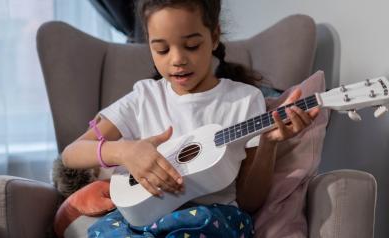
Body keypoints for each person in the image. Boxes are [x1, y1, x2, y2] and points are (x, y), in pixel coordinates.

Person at [61, 0, 319, 237]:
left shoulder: (245, 100)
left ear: (214, 36)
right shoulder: (144, 97)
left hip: (210, 220)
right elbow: (71, 154)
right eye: (161, 49)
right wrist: (125, 152)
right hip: (142, 221)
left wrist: (269, 144)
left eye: (191, 45)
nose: (177, 60)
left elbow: (250, 201)